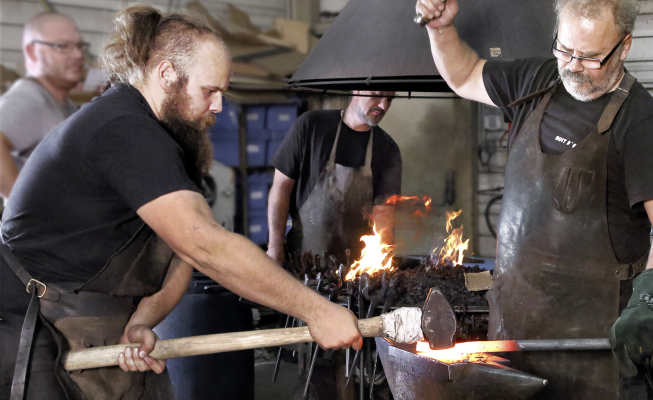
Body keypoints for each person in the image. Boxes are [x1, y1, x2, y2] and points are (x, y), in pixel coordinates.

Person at [0, 5, 361, 400]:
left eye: (223, 92)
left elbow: (180, 255)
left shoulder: (168, 141)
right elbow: (206, 246)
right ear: (168, 74)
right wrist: (317, 311)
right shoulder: (123, 130)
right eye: (210, 91)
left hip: (101, 315)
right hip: (34, 320)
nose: (220, 106)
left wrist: (143, 319)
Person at [415, 0, 653, 397]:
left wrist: (649, 303)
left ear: (624, 46)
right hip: (511, 333)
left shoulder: (643, 122)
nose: (574, 65)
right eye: (565, 49)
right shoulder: (537, 79)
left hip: (590, 351)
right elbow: (464, 76)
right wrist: (441, 30)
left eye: (590, 57)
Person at [267, 92, 402, 265]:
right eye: (377, 96)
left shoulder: (388, 149)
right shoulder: (312, 126)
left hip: (355, 272)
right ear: (358, 89)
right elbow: (281, 188)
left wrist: (382, 263)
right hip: (300, 263)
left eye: (389, 100)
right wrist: (275, 247)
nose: (383, 106)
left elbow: (384, 215)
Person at [0, 13, 83, 199]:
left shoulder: (60, 101)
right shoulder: (28, 98)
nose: (78, 55)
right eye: (62, 46)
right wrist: (23, 207)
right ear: (32, 52)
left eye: (79, 46)